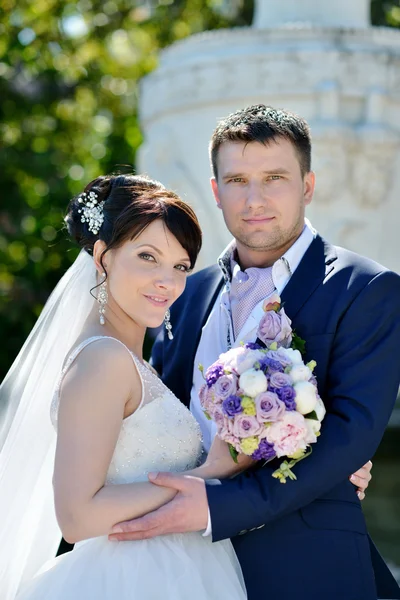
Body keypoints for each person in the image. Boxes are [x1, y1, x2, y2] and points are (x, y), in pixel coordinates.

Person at [110, 106, 400, 600]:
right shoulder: (185, 292)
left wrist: (215, 506)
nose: (255, 198)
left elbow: (350, 437)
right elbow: (156, 412)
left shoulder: (367, 288)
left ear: (307, 186)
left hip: (307, 567)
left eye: (274, 178)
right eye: (238, 179)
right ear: (217, 190)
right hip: (182, 568)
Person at [0, 174, 256, 600]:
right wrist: (206, 473)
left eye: (179, 267)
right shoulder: (103, 360)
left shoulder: (130, 360)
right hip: (132, 580)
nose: (167, 282)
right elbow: (77, 517)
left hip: (177, 568)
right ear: (102, 257)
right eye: (147, 257)